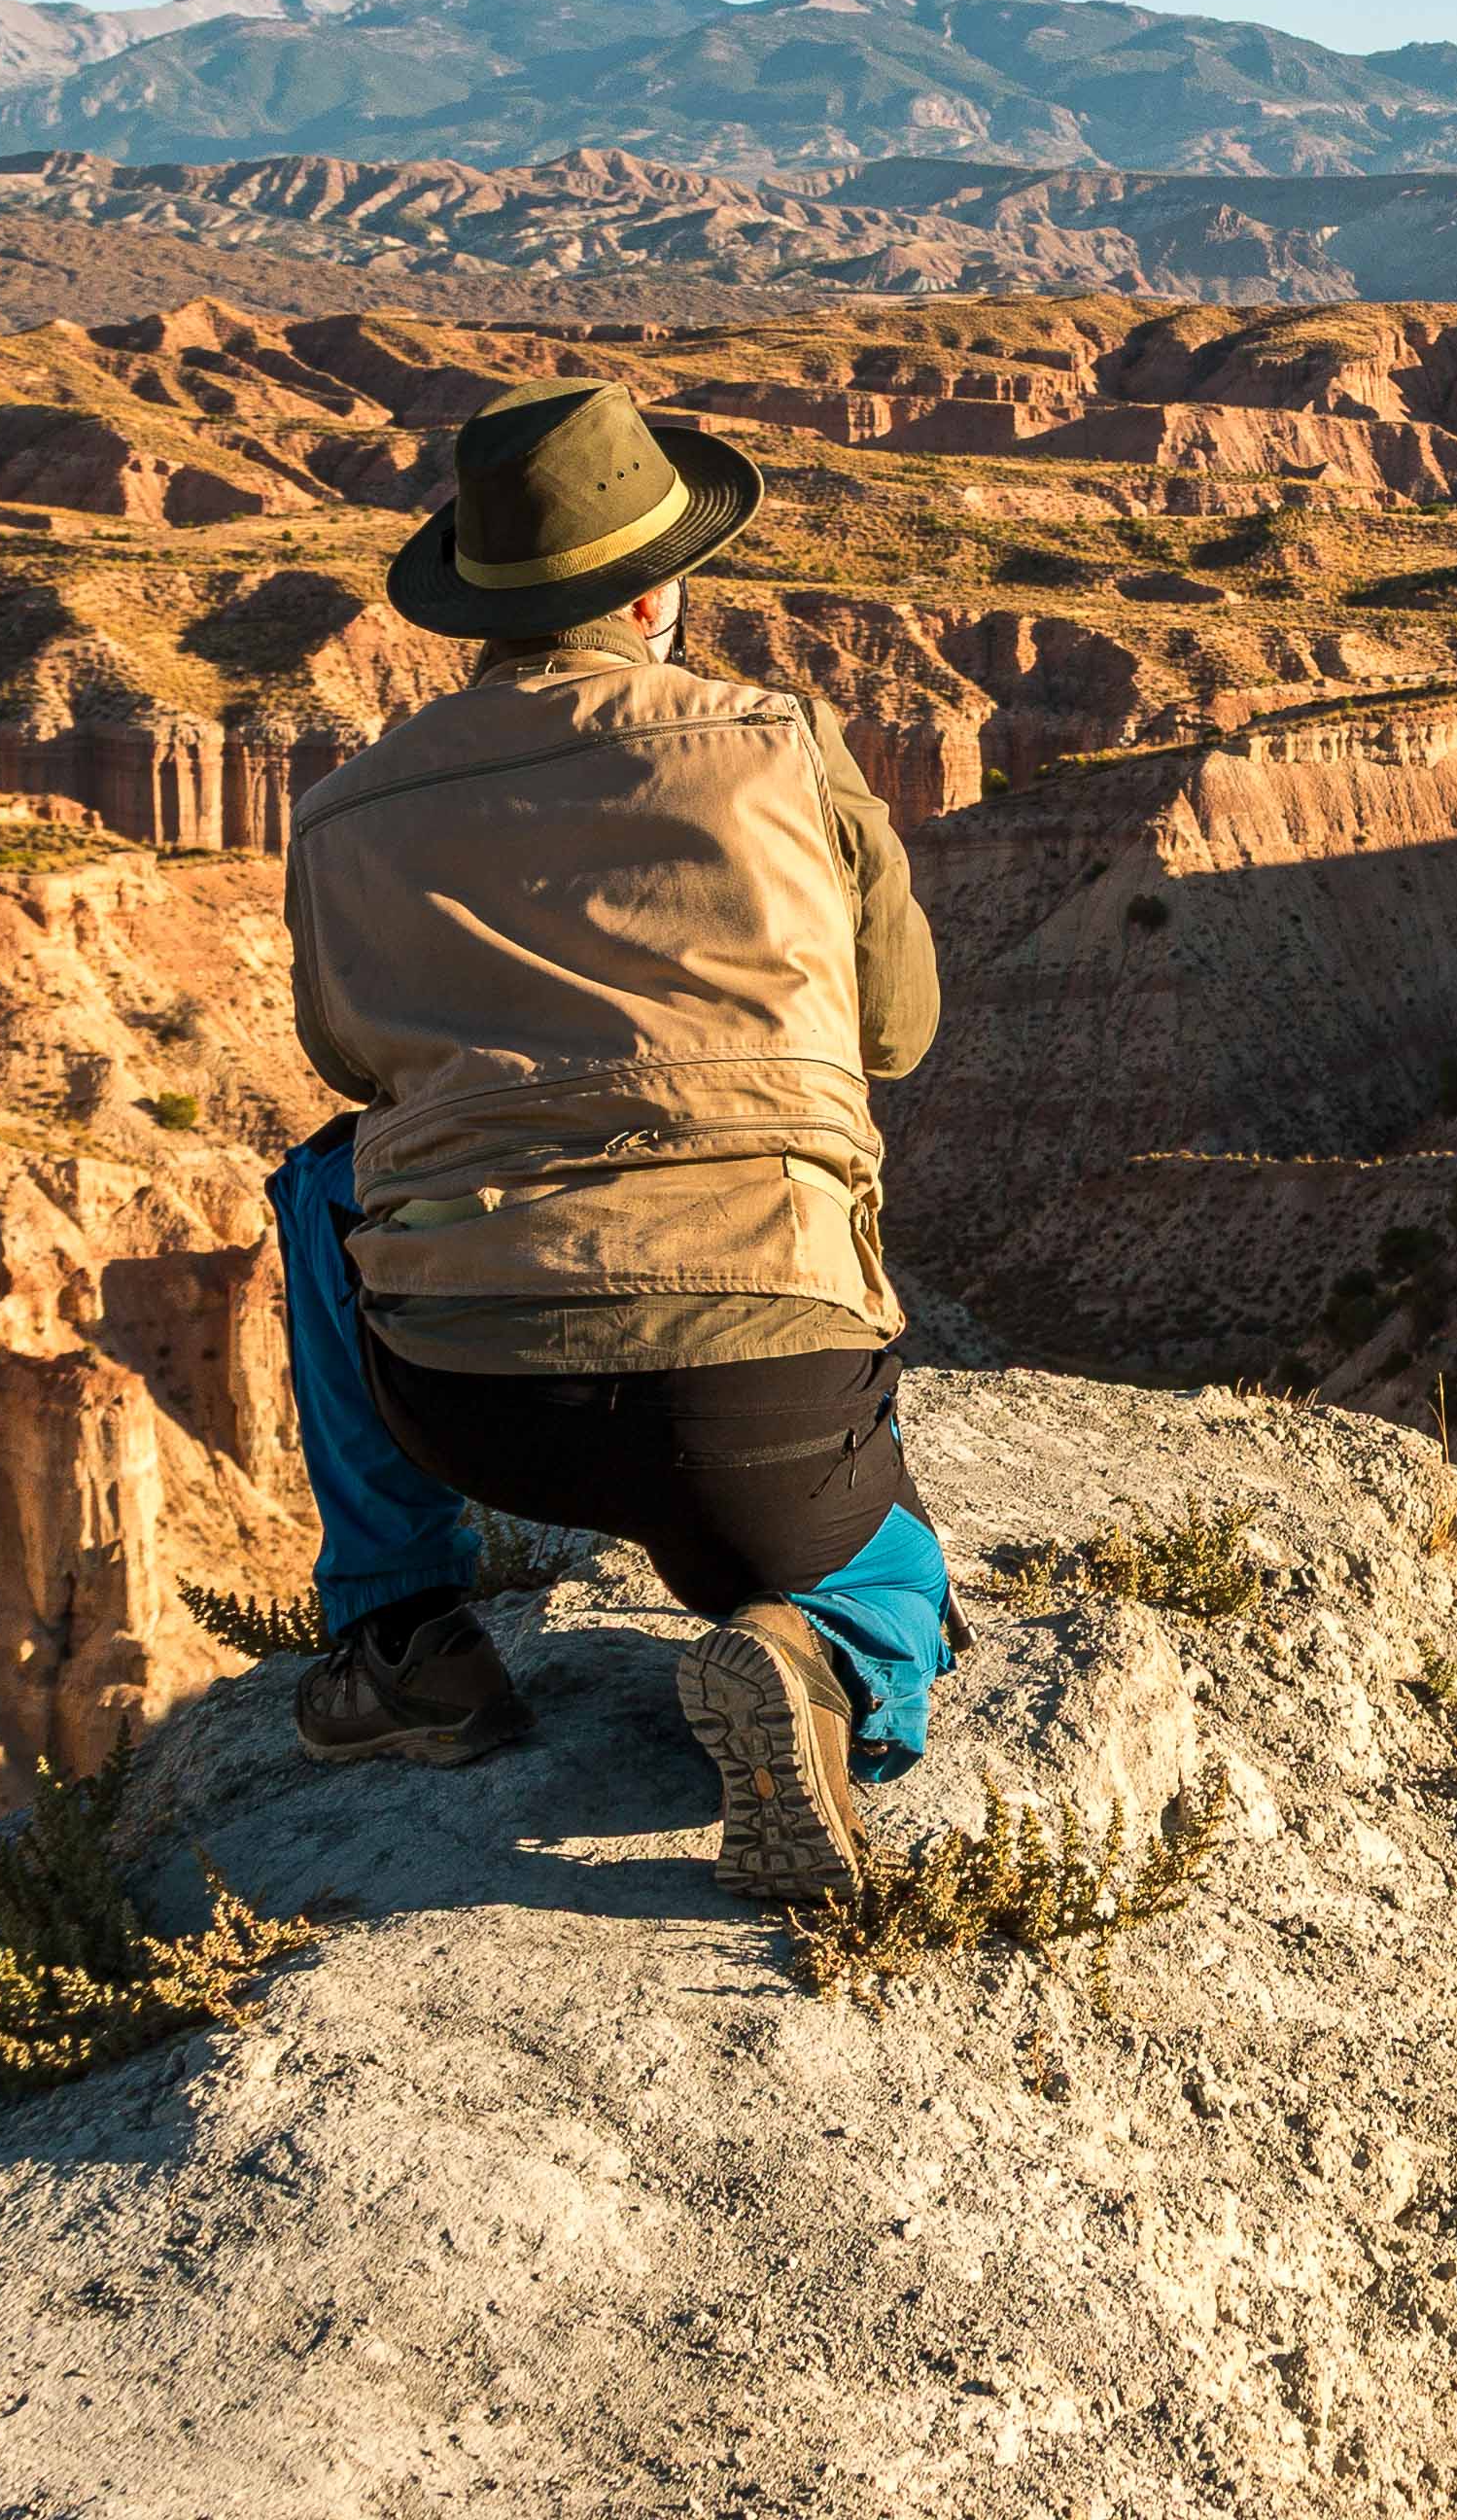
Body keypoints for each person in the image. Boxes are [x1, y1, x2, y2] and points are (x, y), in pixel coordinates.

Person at [264, 374, 948, 1908]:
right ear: (659, 594)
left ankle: (402, 1634)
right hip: (756, 1409)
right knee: (890, 1570)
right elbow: (896, 1035)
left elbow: (346, 1062)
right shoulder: (780, 740)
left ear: (478, 605)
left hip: (468, 1401)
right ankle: (813, 1657)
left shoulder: (347, 810)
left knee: (327, 1176)